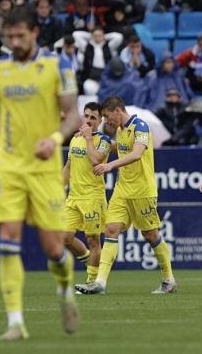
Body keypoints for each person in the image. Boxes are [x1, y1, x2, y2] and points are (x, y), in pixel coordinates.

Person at [0, 7, 81, 340]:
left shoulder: (56, 65)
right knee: (8, 239)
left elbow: (72, 116)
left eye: (20, 35)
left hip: (44, 170)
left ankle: (65, 288)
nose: (14, 41)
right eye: (9, 36)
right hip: (9, 168)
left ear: (35, 32)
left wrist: (54, 140)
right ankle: (15, 322)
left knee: (54, 249)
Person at [75, 96, 177, 295]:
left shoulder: (141, 127)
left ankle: (169, 279)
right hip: (122, 190)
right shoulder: (120, 132)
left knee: (151, 235)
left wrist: (110, 165)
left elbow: (137, 153)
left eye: (106, 116)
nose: (106, 121)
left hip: (142, 191)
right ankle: (100, 283)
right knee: (111, 230)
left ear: (117, 111)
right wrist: (95, 139)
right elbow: (115, 148)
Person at [62, 102, 111, 288]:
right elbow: (68, 167)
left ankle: (92, 282)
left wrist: (89, 138)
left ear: (100, 120)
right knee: (63, 237)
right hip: (73, 197)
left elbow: (96, 159)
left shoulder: (104, 141)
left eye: (93, 117)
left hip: (92, 197)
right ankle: (90, 261)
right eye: (86, 116)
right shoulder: (75, 139)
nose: (89, 120)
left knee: (93, 240)